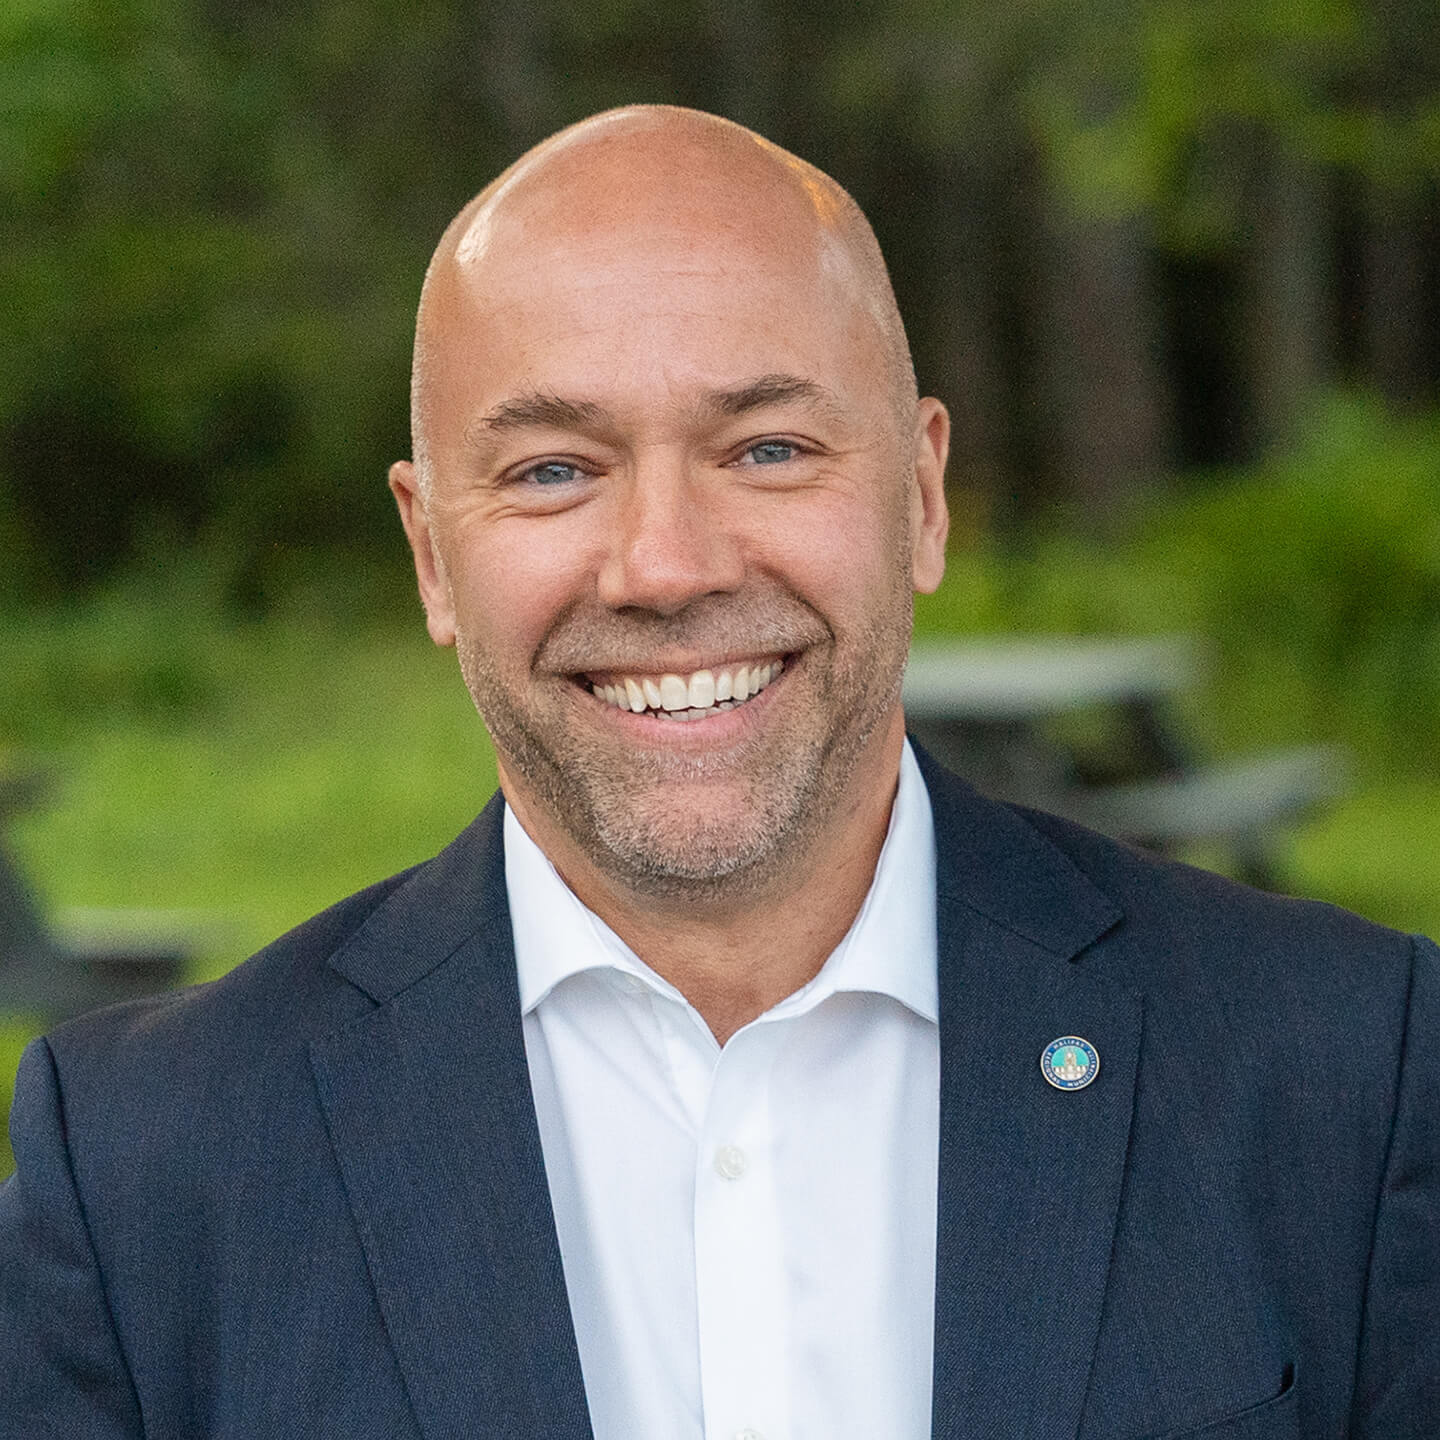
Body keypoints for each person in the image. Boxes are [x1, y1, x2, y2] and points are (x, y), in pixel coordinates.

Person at [0, 105, 1435, 1439]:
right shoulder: (145, 1171)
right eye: (557, 468)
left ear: (923, 497)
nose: (669, 566)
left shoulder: (1348, 1077)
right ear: (433, 551)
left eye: (766, 446)